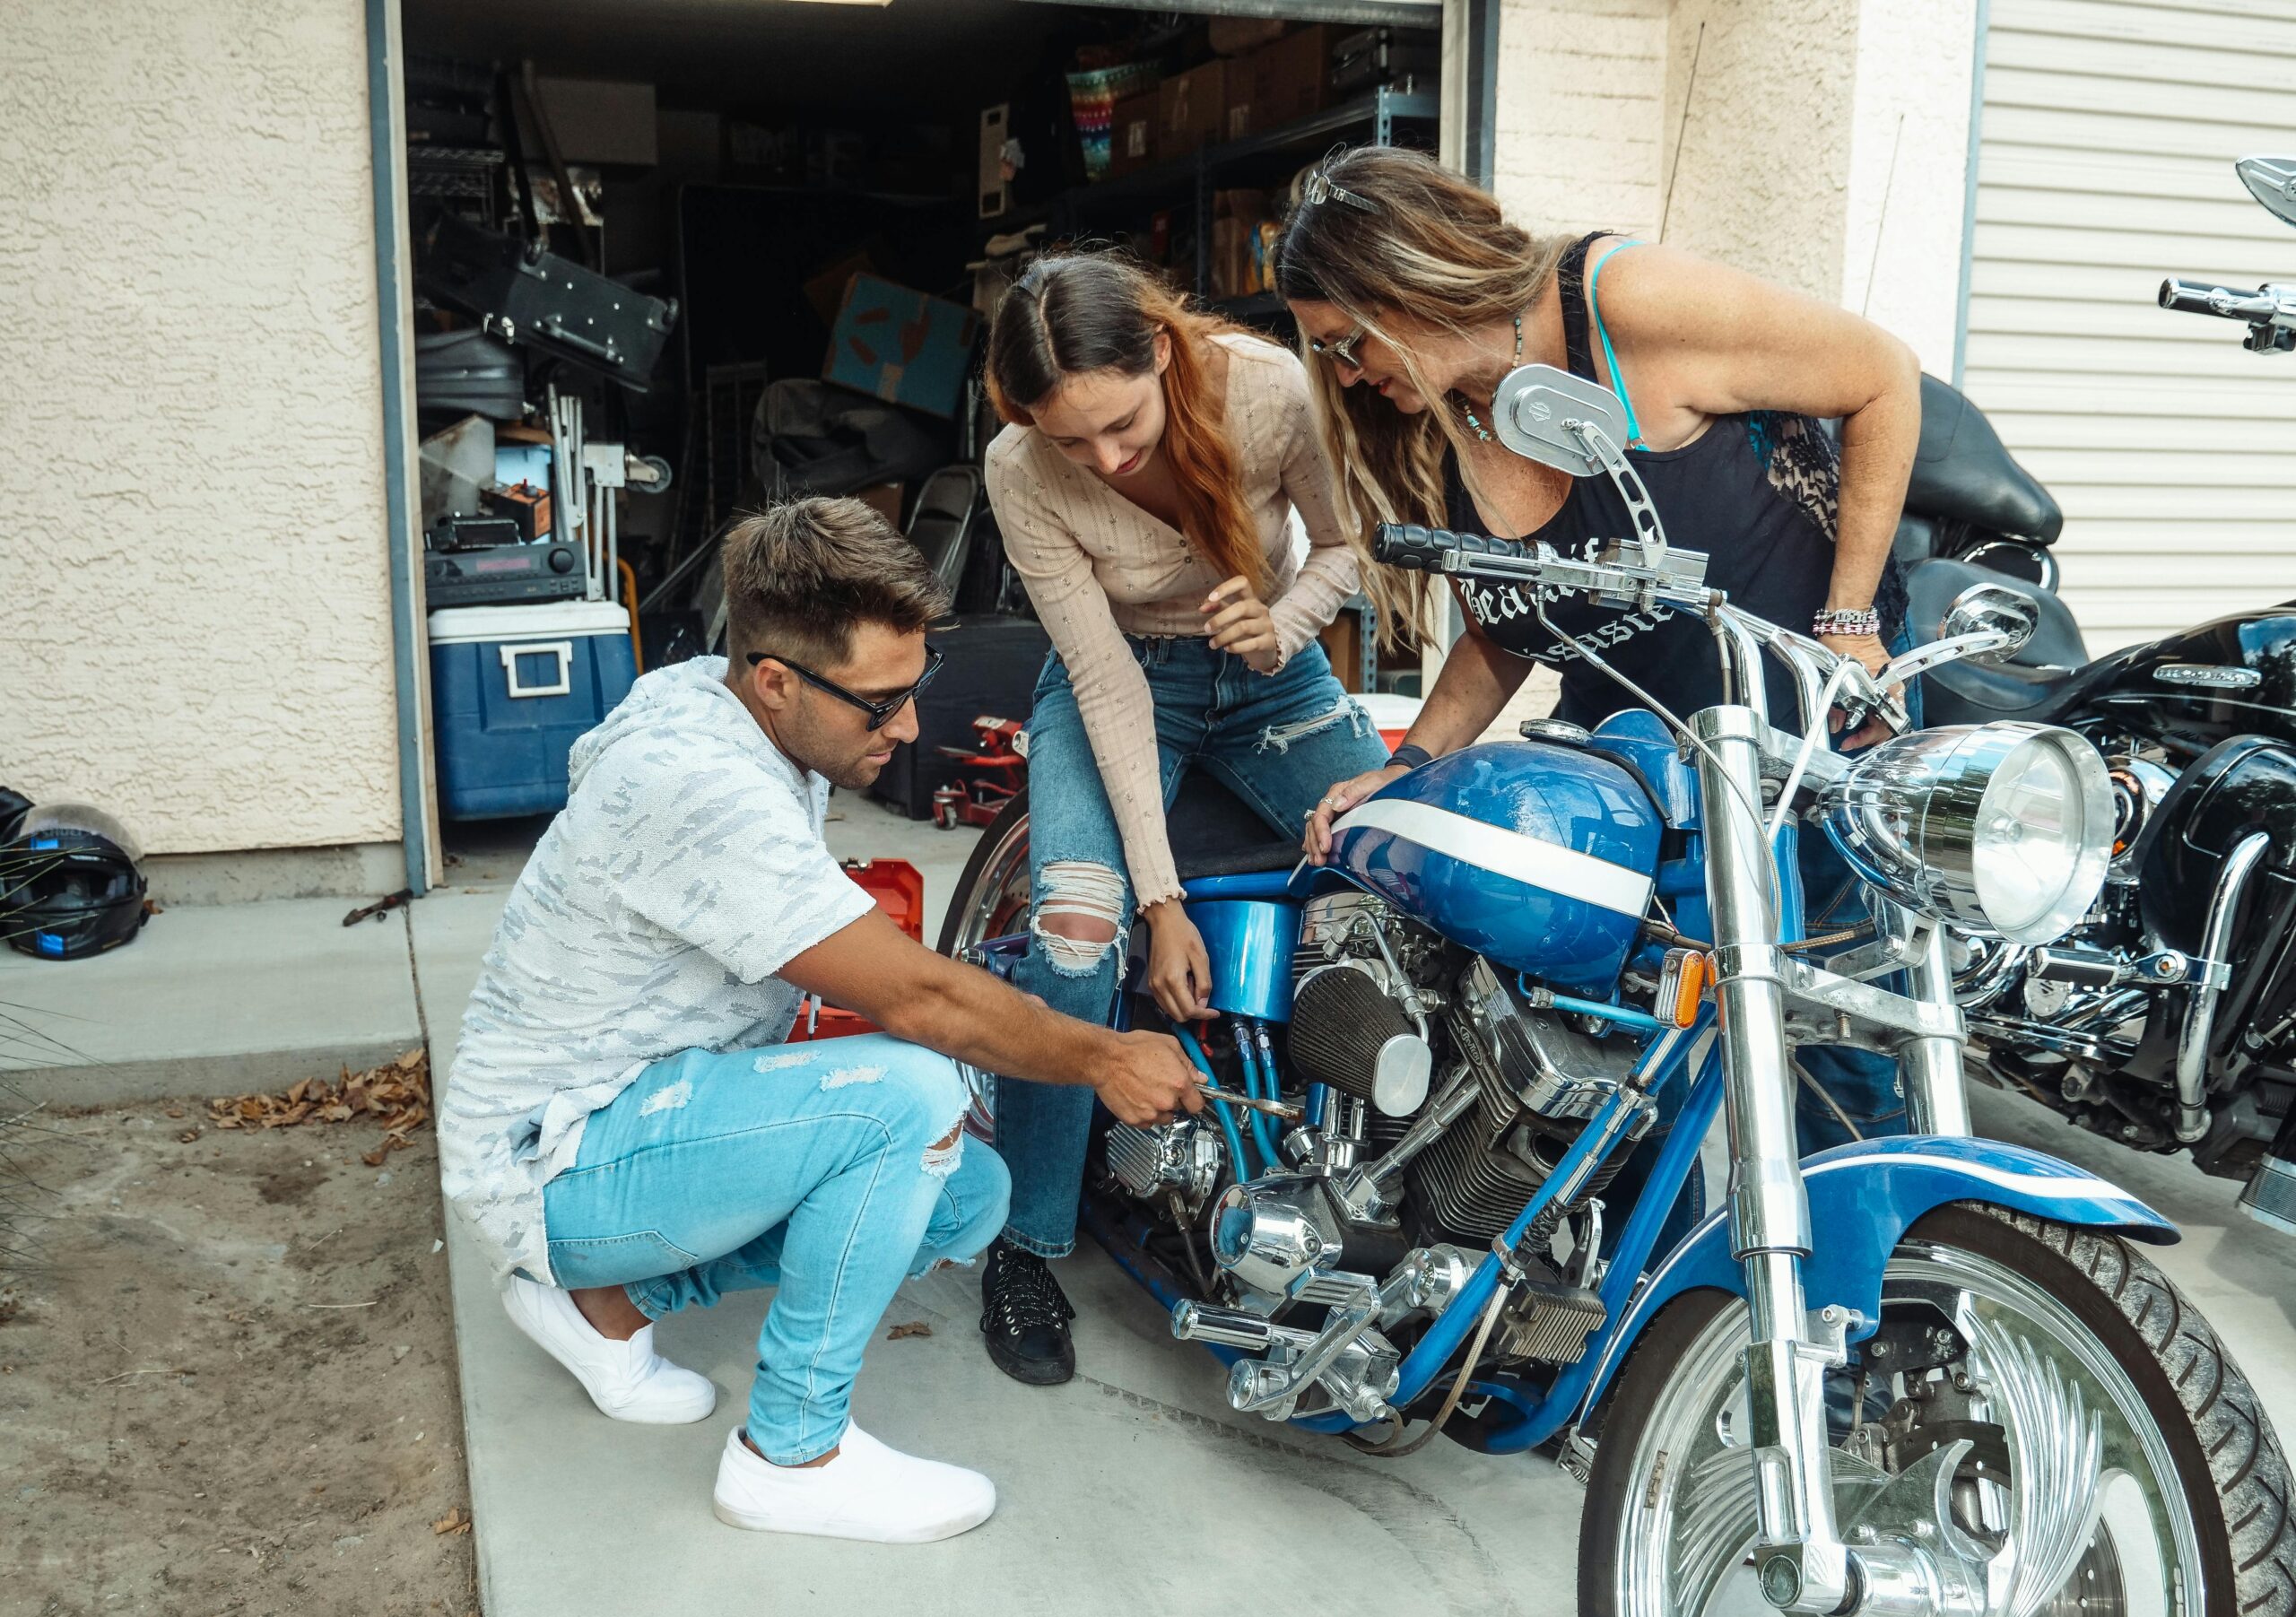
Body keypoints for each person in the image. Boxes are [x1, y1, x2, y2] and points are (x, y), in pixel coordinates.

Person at [439, 497, 1202, 1545]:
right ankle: (790, 1457)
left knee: (969, 1193)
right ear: (775, 681)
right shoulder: (700, 788)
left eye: (914, 688)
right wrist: (1105, 1056)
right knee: (909, 1097)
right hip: (553, 1158)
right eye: (879, 704)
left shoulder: (713, 703)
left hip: (633, 1112)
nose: (910, 729)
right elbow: (920, 999)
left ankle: (602, 1310)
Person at [1283, 146, 1923, 1149]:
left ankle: (1861, 1292)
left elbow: (1881, 375)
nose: (1347, 373)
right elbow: (1506, 629)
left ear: (1405, 285)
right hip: (1635, 752)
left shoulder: (1620, 303)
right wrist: (1405, 762)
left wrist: (1849, 623)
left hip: (1803, 720)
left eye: (1343, 340)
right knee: (1610, 1038)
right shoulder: (1446, 412)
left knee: (1828, 1040)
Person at [976, 252, 1392, 1386]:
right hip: (1121, 686)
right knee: (1072, 934)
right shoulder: (1018, 469)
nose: (1104, 460)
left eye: (1120, 427)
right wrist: (1156, 906)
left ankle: (1375, 1198)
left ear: (1160, 353)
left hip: (1272, 677)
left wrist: (1288, 620)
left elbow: (1348, 547)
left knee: (1405, 880)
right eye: (1074, 442)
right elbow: (1105, 683)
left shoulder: (1266, 389)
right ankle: (1025, 1242)